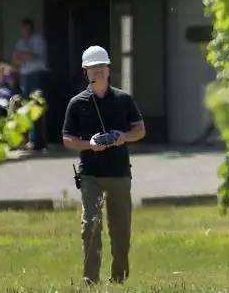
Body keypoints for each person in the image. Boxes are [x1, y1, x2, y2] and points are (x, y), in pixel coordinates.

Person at [61, 45, 146, 285]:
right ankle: (91, 280)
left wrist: (123, 137)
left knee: (120, 230)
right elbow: (67, 139)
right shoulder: (77, 103)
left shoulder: (123, 99)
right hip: (91, 176)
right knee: (91, 226)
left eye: (101, 67)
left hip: (119, 173)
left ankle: (118, 278)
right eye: (92, 68)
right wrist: (89, 144)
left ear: (109, 70)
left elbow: (139, 130)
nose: (96, 72)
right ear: (85, 72)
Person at [12, 17, 49, 150]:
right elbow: (15, 59)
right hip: (25, 75)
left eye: (27, 29)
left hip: (37, 75)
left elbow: (33, 56)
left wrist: (23, 55)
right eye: (23, 29)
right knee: (27, 107)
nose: (25, 32)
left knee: (37, 106)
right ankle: (32, 140)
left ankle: (39, 141)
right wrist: (24, 55)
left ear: (31, 29)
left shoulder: (38, 40)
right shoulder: (20, 42)